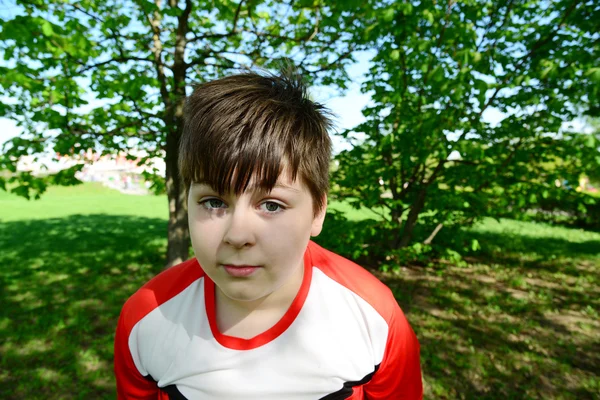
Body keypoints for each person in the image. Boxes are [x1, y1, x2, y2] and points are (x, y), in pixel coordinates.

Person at [114, 68, 423, 399]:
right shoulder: (147, 320)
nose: (238, 234)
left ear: (317, 211)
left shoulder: (372, 317)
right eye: (214, 201)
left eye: (272, 205)